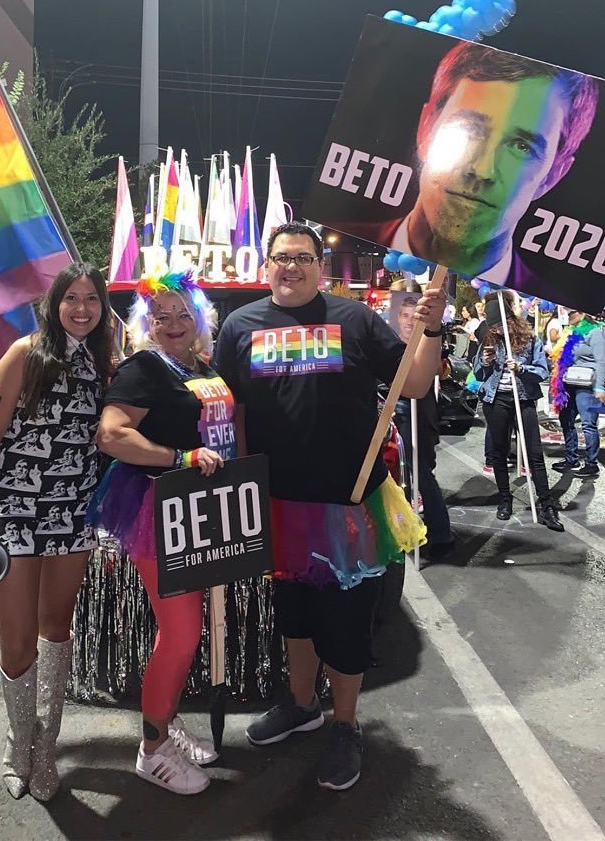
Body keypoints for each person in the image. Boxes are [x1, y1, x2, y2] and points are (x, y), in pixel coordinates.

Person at [212, 221, 446, 792]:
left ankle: (345, 724)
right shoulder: (240, 326)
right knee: (294, 618)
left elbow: (413, 384)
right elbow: (231, 411)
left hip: (348, 503)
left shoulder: (355, 319)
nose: (291, 267)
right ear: (265, 265)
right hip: (278, 503)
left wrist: (433, 327)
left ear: (320, 266)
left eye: (303, 258)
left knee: (345, 626)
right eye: (281, 257)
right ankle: (301, 705)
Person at [0, 262, 113, 801]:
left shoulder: (102, 362)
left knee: (56, 630)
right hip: (16, 511)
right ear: (53, 303)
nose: (81, 308)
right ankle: (15, 741)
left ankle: (45, 749)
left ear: (102, 308)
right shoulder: (24, 354)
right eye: (71, 298)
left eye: (91, 299)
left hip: (73, 514)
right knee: (17, 638)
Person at [91, 270, 234, 795]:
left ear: (199, 318)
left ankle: (166, 720)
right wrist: (180, 456)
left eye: (182, 314)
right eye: (161, 316)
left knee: (184, 630)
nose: (173, 324)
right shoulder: (145, 367)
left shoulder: (199, 364)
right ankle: (151, 749)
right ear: (145, 323)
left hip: (204, 507)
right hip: (159, 508)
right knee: (180, 631)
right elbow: (110, 435)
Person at [372, 43, 598, 289]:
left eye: (521, 146)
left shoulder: (545, 296)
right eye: (469, 128)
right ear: (426, 128)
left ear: (553, 176)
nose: (482, 170)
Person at [473, 294, 563, 531]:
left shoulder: (529, 339)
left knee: (534, 453)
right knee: (500, 452)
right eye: (493, 326)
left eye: (500, 325)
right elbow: (480, 376)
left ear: (510, 320)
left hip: (523, 399)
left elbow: (542, 371)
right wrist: (484, 361)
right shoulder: (489, 341)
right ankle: (505, 498)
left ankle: (546, 504)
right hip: (496, 400)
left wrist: (521, 368)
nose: (497, 330)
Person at [392, 297, 454, 562]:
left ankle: (440, 534)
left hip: (420, 417)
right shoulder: (390, 344)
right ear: (398, 318)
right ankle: (404, 531)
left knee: (422, 475)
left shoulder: (427, 344)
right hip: (395, 416)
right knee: (398, 478)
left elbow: (442, 371)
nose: (408, 321)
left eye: (412, 316)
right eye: (404, 316)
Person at [550, 308, 604, 478]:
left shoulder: (595, 332)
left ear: (582, 314)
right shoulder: (570, 332)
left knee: (588, 424)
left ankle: (591, 463)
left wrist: (600, 388)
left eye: (572, 312)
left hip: (588, 384)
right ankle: (571, 458)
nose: (568, 315)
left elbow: (602, 361)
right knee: (566, 419)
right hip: (570, 382)